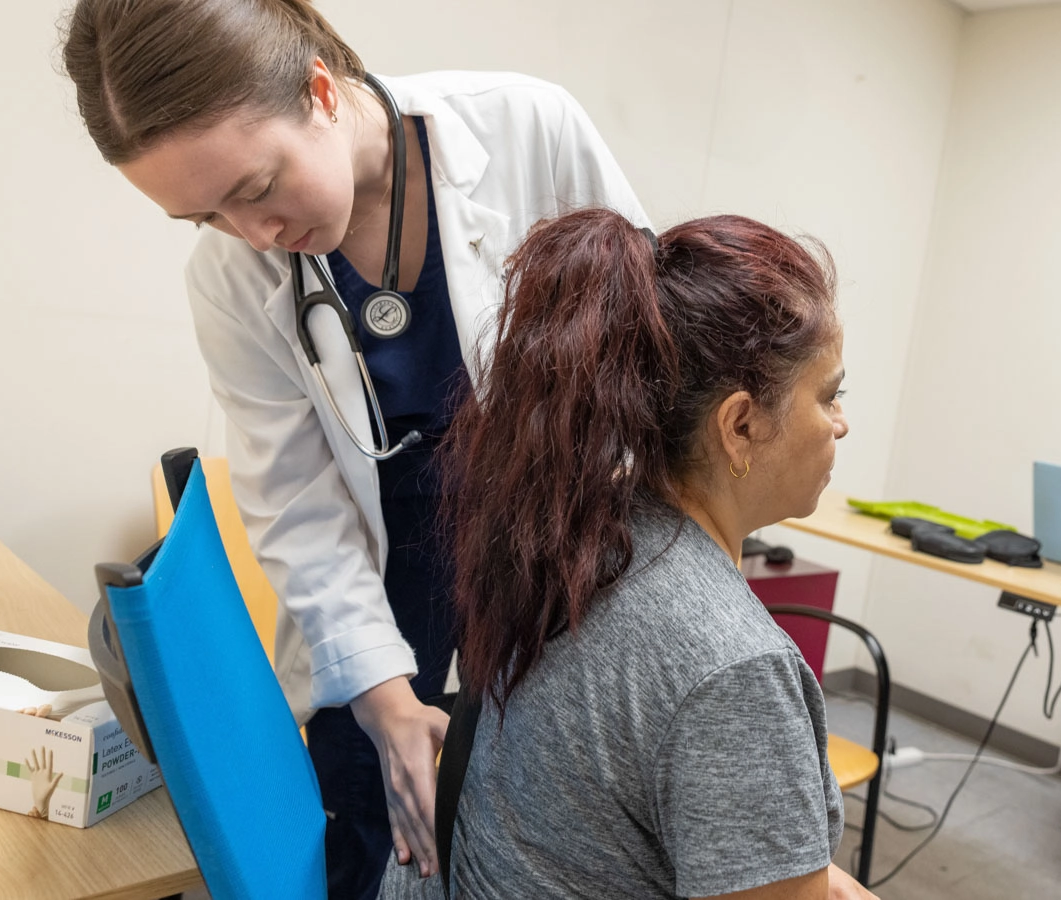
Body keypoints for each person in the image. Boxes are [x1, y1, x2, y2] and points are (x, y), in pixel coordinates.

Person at [59, 2, 646, 896]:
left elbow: (647, 359)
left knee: (547, 841)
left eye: (255, 189)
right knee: (366, 835)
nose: (251, 236)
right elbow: (295, 498)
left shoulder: (527, 129)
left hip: (551, 543)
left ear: (320, 91)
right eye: (203, 216)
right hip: (381, 569)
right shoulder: (230, 277)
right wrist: (385, 702)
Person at [378, 208, 875, 900]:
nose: (841, 424)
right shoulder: (732, 668)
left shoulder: (575, 536)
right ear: (740, 425)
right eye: (829, 395)